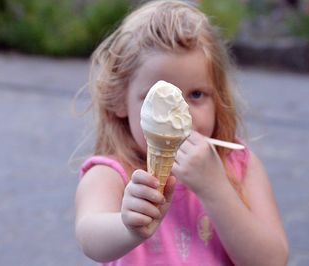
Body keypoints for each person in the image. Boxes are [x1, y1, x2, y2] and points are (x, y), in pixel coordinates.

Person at [75, 1, 289, 265]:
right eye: (159, 98)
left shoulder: (240, 165)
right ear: (120, 100)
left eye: (196, 95)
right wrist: (127, 225)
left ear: (218, 98)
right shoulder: (112, 174)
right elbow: (90, 239)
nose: (181, 115)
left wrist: (215, 188)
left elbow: (272, 260)